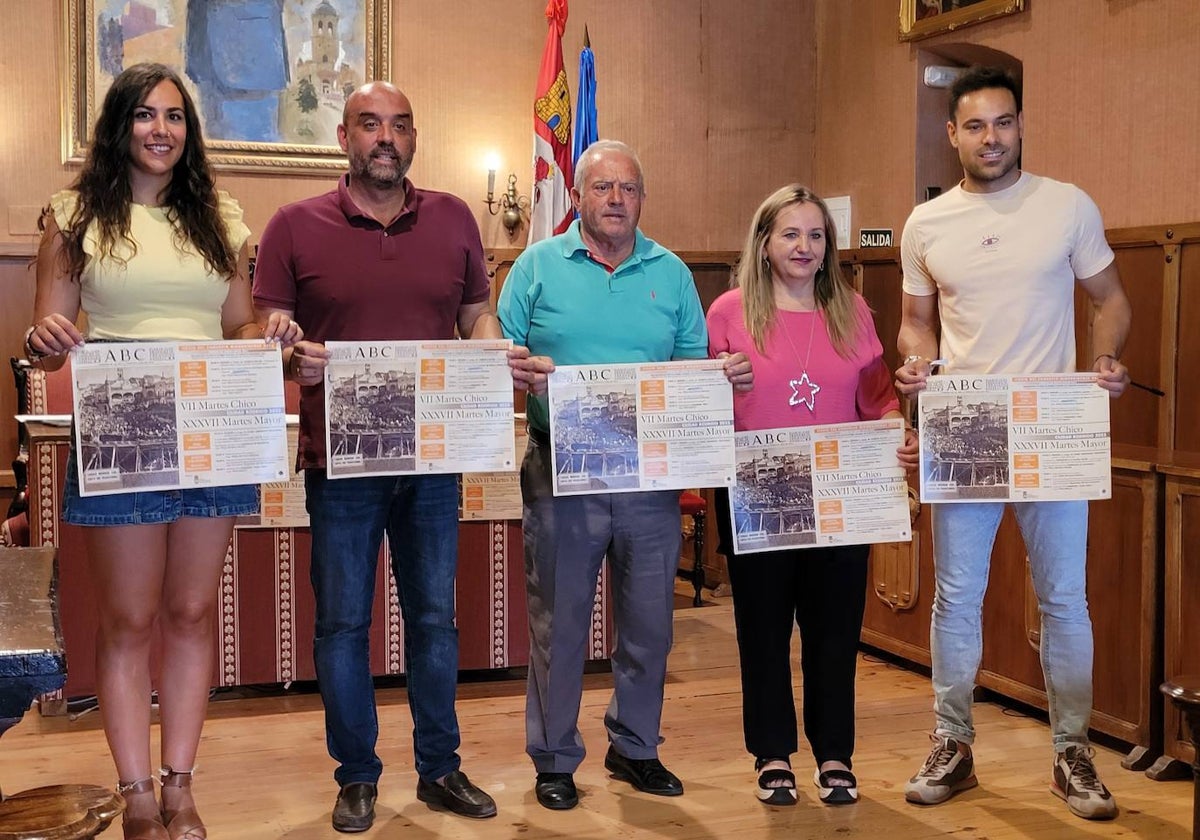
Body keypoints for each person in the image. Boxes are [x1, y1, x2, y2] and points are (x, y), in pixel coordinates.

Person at [252, 81, 548, 833]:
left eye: (401, 125)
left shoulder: (452, 218)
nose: (386, 137)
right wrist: (290, 352)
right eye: (370, 125)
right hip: (341, 465)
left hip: (433, 458)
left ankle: (440, 769)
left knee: (434, 620)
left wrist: (494, 353)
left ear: (415, 139)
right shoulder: (293, 225)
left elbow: (476, 314)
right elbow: (270, 328)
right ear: (343, 138)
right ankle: (355, 776)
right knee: (343, 626)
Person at [26, 62, 301, 840]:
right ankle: (137, 793)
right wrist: (44, 340)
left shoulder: (220, 216)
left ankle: (180, 786)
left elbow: (240, 328)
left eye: (175, 117)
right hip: (121, 427)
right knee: (130, 618)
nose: (161, 130)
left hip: (212, 427)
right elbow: (51, 342)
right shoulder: (74, 214)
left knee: (189, 610)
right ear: (121, 126)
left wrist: (271, 334)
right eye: (145, 115)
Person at [895, 66, 1131, 821]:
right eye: (974, 125)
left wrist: (1106, 358)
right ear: (952, 134)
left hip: (1052, 426)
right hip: (965, 428)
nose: (989, 137)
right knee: (956, 596)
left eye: (1003, 122)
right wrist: (914, 361)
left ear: (1020, 126)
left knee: (1065, 599)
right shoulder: (925, 224)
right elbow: (917, 321)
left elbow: (1113, 301)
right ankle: (952, 743)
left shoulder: (1066, 206)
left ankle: (1073, 752)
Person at [497, 139, 753, 811]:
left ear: (642, 199)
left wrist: (717, 378)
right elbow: (497, 350)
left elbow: (695, 366)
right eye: (602, 188)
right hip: (562, 472)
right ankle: (553, 757)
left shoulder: (669, 273)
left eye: (628, 189)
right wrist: (515, 365)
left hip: (650, 473)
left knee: (649, 623)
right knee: (561, 621)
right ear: (577, 196)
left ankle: (635, 745)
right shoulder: (536, 266)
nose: (615, 200)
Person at [707, 185, 919, 807]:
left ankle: (835, 754)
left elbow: (877, 399)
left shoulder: (852, 310)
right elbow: (700, 408)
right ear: (765, 242)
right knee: (763, 629)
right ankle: (772, 753)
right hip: (757, 490)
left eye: (817, 235)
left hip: (839, 492)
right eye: (791, 234)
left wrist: (894, 430)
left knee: (833, 632)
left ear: (829, 247)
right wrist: (716, 381)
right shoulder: (727, 312)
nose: (804, 246)